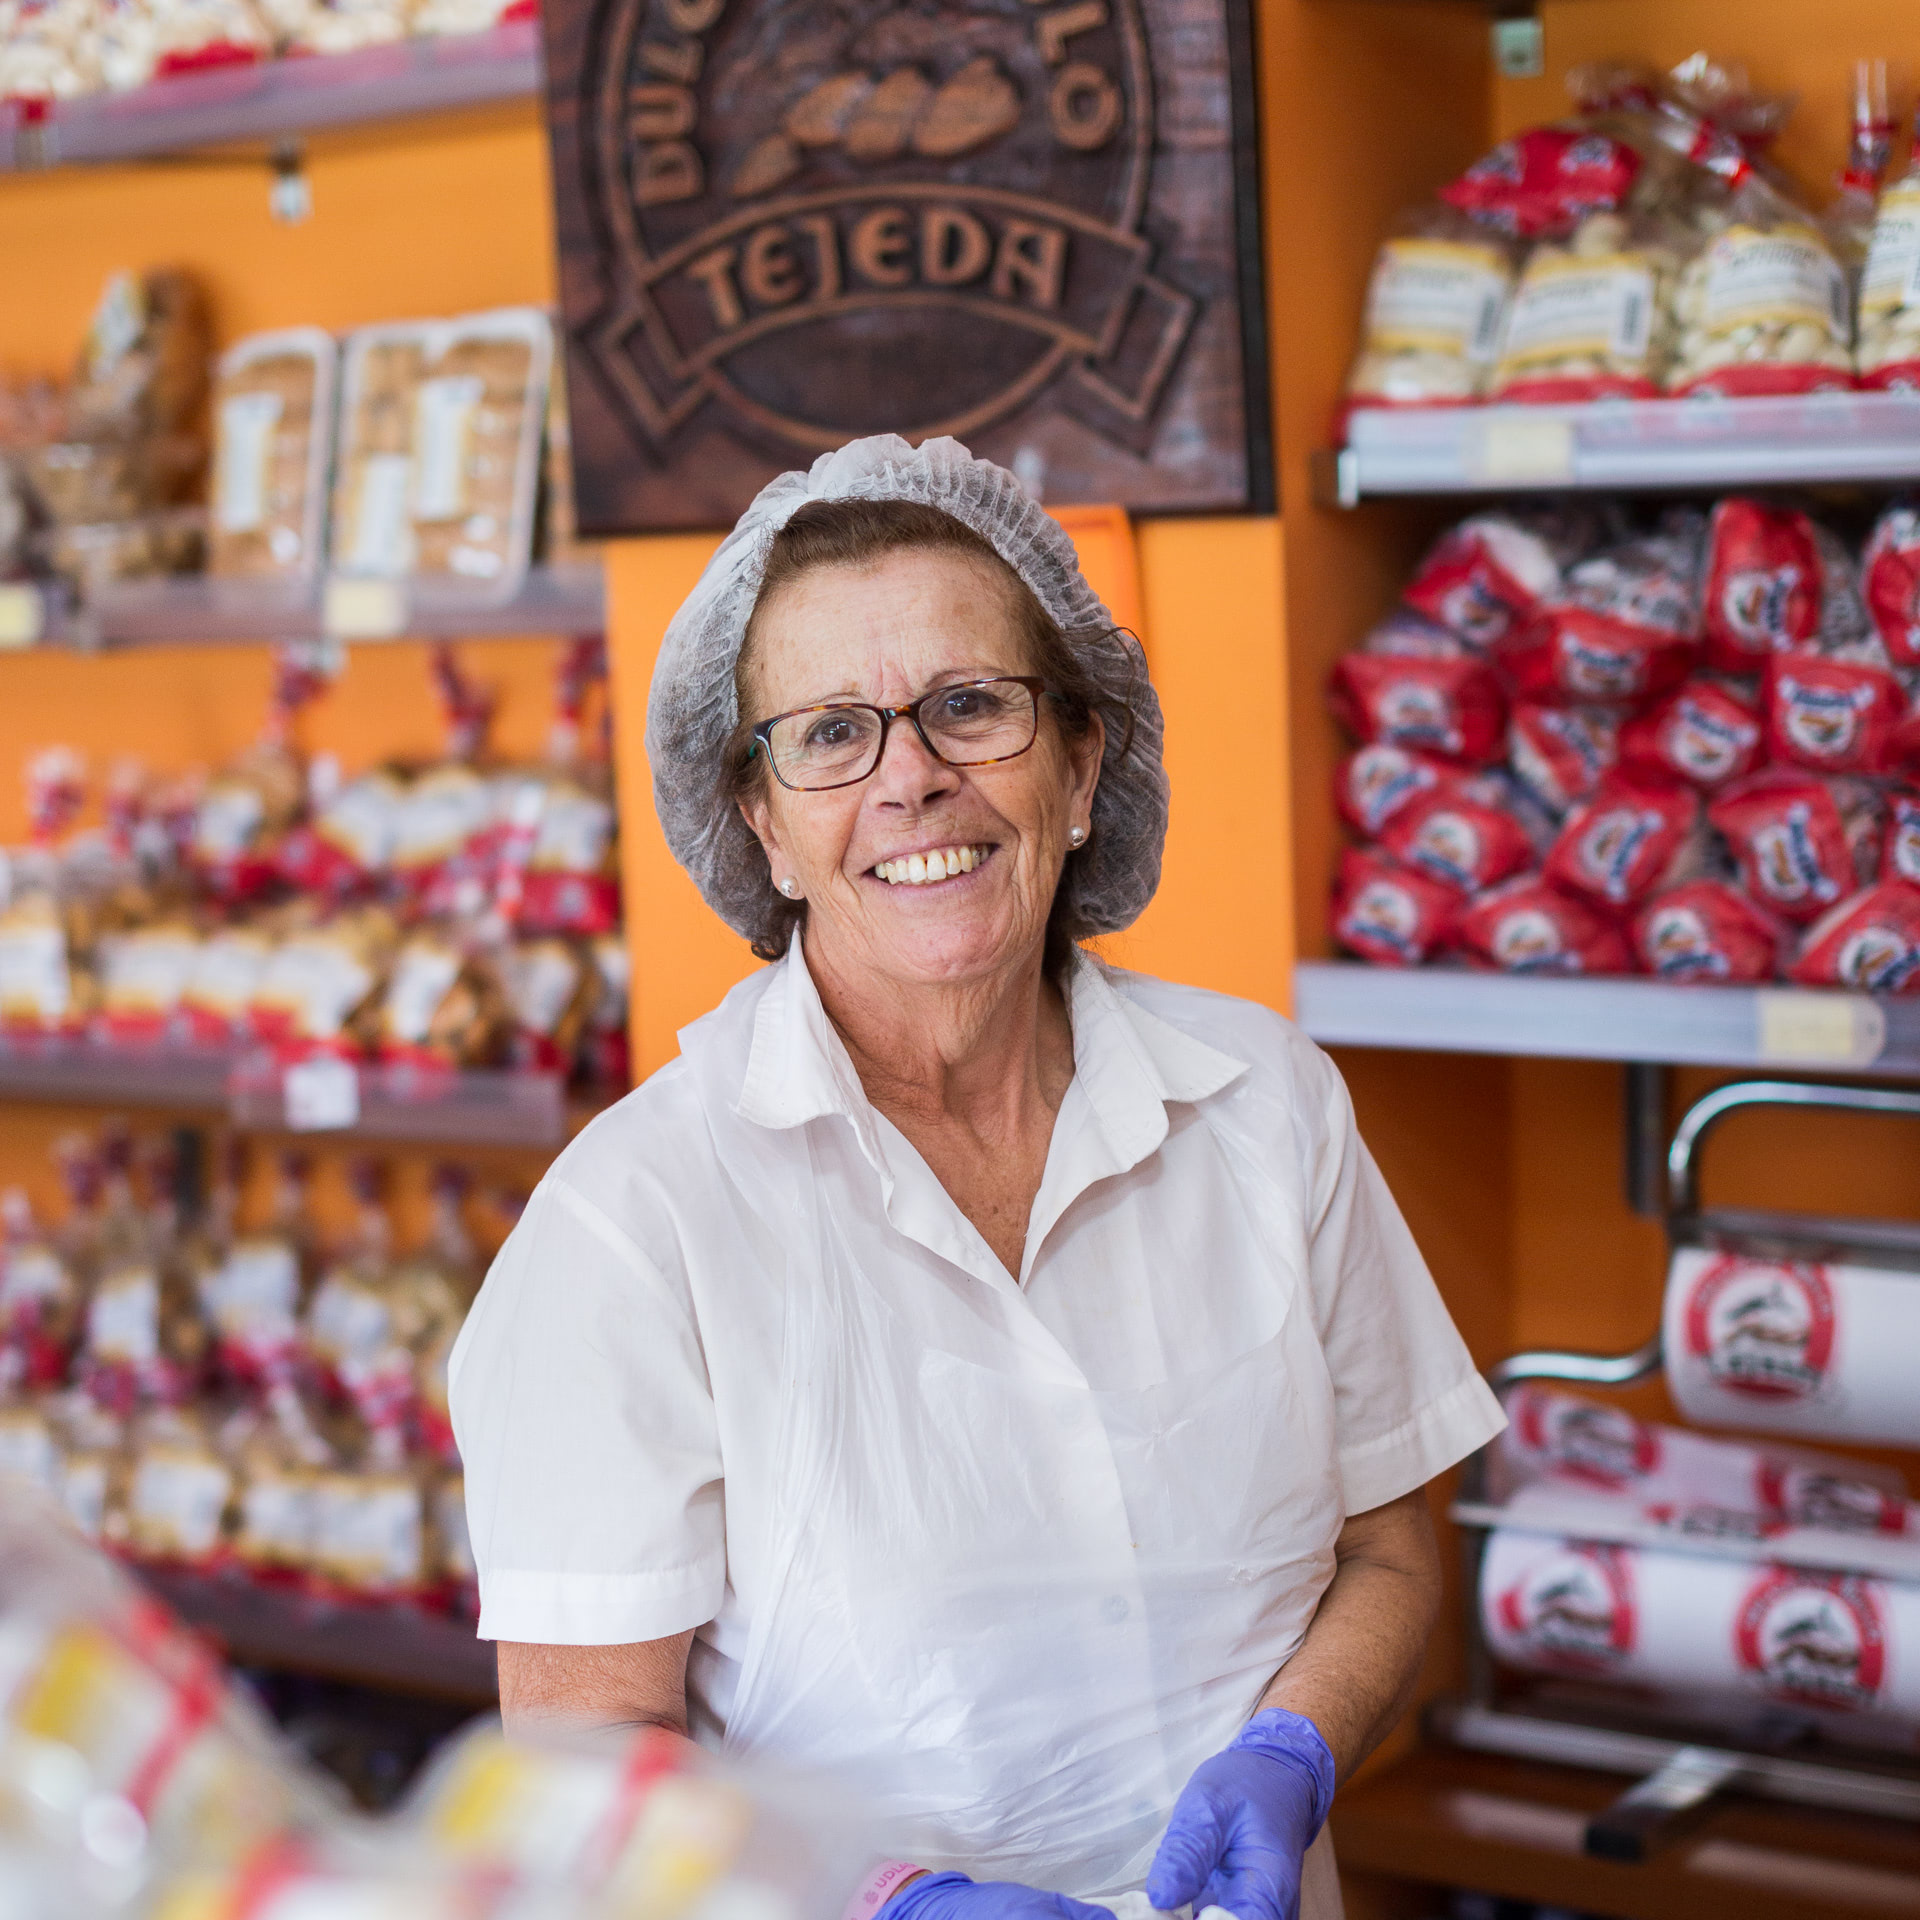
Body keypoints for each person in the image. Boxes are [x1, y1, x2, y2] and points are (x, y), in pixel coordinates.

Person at [449, 435, 1504, 1920]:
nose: (913, 780)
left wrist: (1294, 1746)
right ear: (762, 824)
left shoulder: (1266, 1107)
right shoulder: (635, 1228)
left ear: (1081, 763)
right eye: (829, 734)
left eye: (970, 707)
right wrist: (878, 1900)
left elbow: (1391, 1546)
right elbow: (580, 1754)